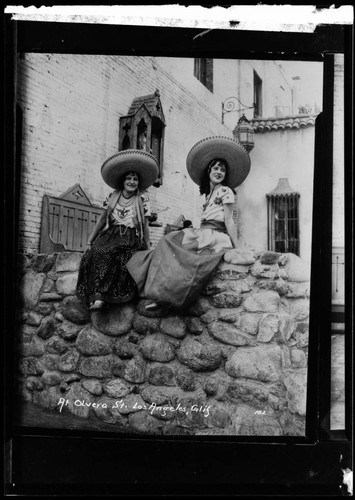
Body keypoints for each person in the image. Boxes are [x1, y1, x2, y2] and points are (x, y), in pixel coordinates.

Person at [126, 136, 251, 311]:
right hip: (203, 232)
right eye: (215, 168)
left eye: (222, 170)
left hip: (216, 236)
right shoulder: (208, 195)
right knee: (168, 241)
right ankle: (158, 293)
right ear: (208, 171)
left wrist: (237, 247)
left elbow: (229, 220)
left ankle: (167, 297)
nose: (219, 172)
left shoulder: (226, 191)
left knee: (186, 257)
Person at [76, 149, 159, 310]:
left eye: (135, 179)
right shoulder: (112, 196)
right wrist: (90, 240)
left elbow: (146, 224)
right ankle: (94, 296)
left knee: (113, 253)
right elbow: (102, 219)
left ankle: (102, 297)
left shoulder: (142, 199)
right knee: (93, 252)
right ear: (123, 181)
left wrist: (148, 245)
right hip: (111, 233)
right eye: (128, 178)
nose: (132, 182)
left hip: (130, 236)